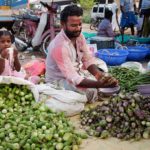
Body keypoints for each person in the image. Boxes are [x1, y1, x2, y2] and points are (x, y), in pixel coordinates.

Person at [45, 5, 118, 102]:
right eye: (74, 25)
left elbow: (87, 60)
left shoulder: (80, 37)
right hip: (59, 81)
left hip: (75, 73)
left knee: (101, 72)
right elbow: (74, 78)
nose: (78, 28)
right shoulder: (59, 47)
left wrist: (101, 77)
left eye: (80, 24)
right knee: (90, 92)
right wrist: (101, 84)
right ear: (63, 24)